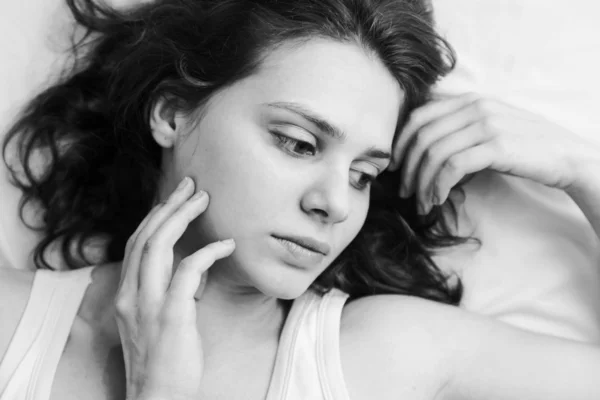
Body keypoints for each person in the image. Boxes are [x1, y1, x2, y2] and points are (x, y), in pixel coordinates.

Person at [0, 0, 599, 399]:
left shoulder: (391, 355)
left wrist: (583, 168)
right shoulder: (11, 322)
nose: (335, 203)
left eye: (364, 174)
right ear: (173, 111)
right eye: (298, 143)